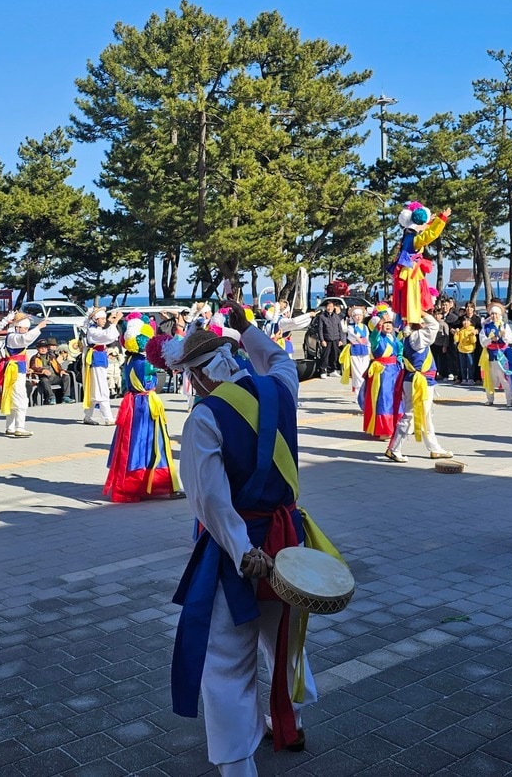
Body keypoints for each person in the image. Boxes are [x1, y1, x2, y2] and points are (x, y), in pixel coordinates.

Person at [166, 303, 336, 775]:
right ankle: (292, 720)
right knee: (282, 637)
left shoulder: (205, 417)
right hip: (288, 540)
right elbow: (279, 358)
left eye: (189, 377)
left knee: (227, 659)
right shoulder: (280, 388)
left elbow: (212, 503)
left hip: (240, 552)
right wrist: (246, 327)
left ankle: (238, 765)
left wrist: (244, 553)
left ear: (199, 377)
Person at [105, 315, 180, 502]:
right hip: (146, 404)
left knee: (133, 444)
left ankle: (135, 483)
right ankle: (155, 483)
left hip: (133, 404)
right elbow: (169, 363)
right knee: (152, 443)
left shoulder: (129, 360)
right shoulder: (145, 363)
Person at [389, 314, 453, 463]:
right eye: (422, 322)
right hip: (418, 381)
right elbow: (434, 326)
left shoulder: (407, 335)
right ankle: (394, 448)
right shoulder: (417, 337)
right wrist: (422, 311)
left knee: (426, 416)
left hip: (416, 380)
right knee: (410, 415)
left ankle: (434, 448)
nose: (425, 324)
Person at [390, 202, 450, 325]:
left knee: (406, 299)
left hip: (403, 270)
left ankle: (407, 322)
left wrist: (432, 221)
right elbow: (430, 234)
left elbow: (424, 229)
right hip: (412, 272)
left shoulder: (406, 236)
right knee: (413, 298)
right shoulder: (415, 240)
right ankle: (413, 322)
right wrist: (442, 219)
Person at [359, 310, 405, 446]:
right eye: (385, 323)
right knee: (384, 399)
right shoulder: (376, 338)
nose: (388, 326)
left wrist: (400, 359)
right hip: (382, 373)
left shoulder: (394, 338)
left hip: (395, 371)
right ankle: (383, 429)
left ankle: (397, 426)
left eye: (390, 323)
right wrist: (380, 321)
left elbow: (400, 351)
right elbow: (375, 335)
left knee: (397, 398)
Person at [0, 310, 40, 438]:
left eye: (27, 328)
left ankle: (10, 427)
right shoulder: (14, 337)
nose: (26, 330)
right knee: (21, 398)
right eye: (24, 328)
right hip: (14, 370)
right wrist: (39, 328)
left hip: (15, 369)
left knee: (12, 397)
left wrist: (9, 318)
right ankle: (20, 427)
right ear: (18, 327)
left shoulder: (11, 334)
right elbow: (25, 339)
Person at [82, 307, 122, 426]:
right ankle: (108, 417)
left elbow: (108, 334)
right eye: (102, 319)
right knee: (102, 387)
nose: (104, 321)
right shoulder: (93, 331)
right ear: (95, 319)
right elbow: (108, 336)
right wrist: (115, 322)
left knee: (95, 387)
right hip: (96, 359)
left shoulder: (96, 329)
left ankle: (88, 415)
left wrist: (111, 321)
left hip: (100, 357)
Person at [479, 301, 512, 408]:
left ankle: (509, 400)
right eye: (492, 314)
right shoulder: (485, 327)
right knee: (489, 379)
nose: (494, 316)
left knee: (504, 379)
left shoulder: (504, 326)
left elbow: (509, 339)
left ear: (500, 315)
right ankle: (490, 399)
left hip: (502, 356)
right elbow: (482, 341)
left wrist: (502, 336)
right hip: (489, 356)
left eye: (496, 314)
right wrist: (491, 339)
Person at [339, 306, 371, 399]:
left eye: (360, 315)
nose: (358, 317)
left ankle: (364, 392)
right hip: (355, 351)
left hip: (365, 351)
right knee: (357, 373)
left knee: (364, 372)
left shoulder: (365, 327)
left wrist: (368, 349)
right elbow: (352, 336)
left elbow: (367, 340)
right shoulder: (350, 327)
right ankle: (358, 394)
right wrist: (359, 339)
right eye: (356, 315)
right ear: (352, 317)